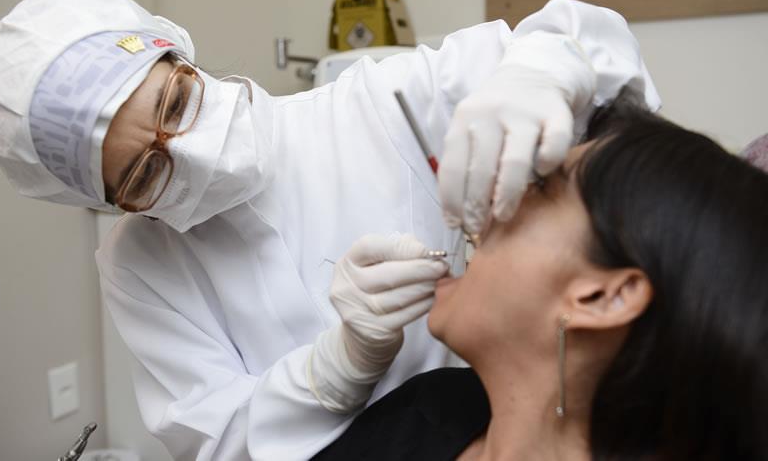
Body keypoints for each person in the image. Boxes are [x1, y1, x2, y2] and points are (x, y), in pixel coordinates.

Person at [0, 0, 659, 460]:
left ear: (178, 54)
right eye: (143, 174)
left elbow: (586, 45)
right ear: (110, 202)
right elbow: (218, 442)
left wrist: (542, 73)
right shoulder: (136, 265)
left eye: (176, 102)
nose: (190, 151)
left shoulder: (380, 102)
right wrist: (337, 365)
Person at [314, 102, 768, 461]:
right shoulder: (424, 409)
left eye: (540, 189)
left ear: (603, 297)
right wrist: (332, 373)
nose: (492, 205)